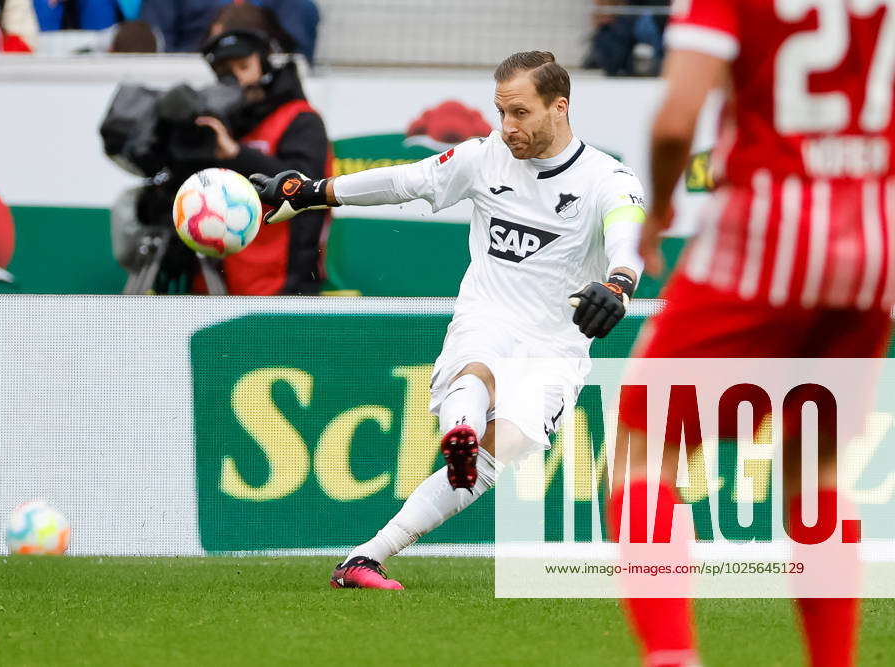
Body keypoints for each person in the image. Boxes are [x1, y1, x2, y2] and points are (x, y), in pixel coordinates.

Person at [250, 50, 647, 588]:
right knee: (478, 368)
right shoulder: (483, 158)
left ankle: (364, 557)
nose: (507, 127)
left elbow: (628, 230)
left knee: (494, 455)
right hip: (487, 316)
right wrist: (313, 193)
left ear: (560, 108)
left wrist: (619, 282)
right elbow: (403, 181)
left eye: (521, 113)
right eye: (500, 112)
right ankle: (460, 426)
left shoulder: (607, 177)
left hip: (556, 347)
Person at [611, 1, 895, 665]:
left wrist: (660, 210)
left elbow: (678, 119)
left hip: (765, 238)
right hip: (873, 251)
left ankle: (672, 654)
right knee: (816, 467)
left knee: (641, 444)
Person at [192, 2, 329, 295]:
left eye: (244, 66)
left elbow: (306, 187)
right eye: (226, 72)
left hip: (280, 288)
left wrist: (237, 155)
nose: (237, 79)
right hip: (219, 283)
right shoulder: (220, 123)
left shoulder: (300, 119)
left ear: (264, 63)